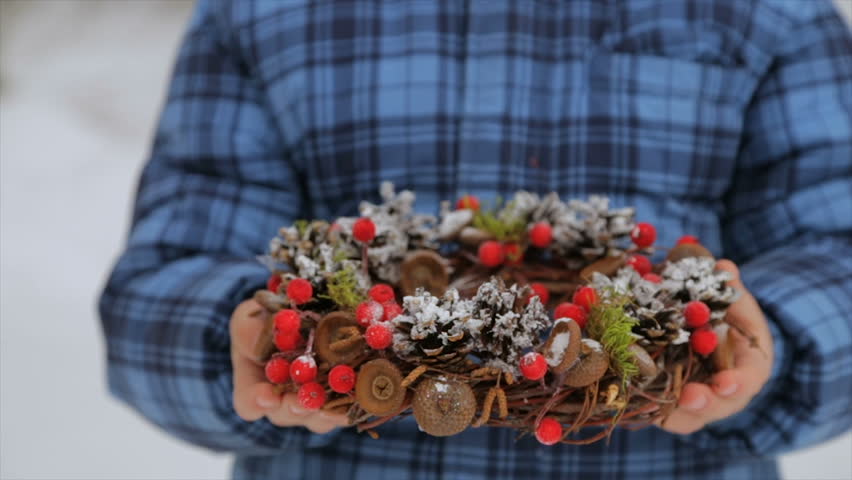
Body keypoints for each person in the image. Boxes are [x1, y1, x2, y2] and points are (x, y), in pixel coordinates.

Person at [99, 0, 852, 478]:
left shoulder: (772, 13)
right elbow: (152, 294)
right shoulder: (262, 13)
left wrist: (772, 342)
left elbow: (838, 248)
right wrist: (239, 341)